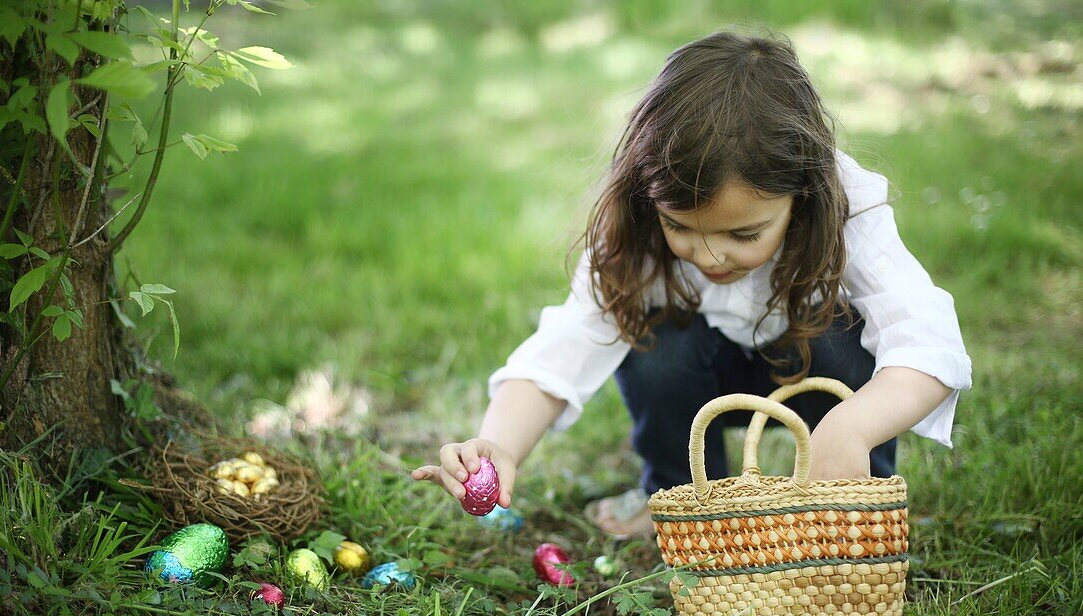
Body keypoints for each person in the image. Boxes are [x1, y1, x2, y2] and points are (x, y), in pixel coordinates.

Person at [411, 30, 971, 538]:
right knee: (654, 349)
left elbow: (927, 341)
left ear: (803, 194)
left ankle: (856, 505)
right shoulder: (631, 232)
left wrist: (853, 426)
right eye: (679, 225)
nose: (707, 254)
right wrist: (500, 443)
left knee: (843, 337)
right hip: (701, 384)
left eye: (744, 232)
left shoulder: (847, 203)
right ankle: (681, 501)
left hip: (812, 378)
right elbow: (562, 350)